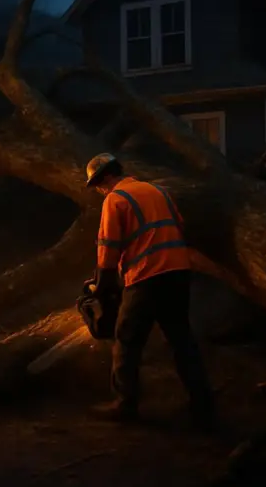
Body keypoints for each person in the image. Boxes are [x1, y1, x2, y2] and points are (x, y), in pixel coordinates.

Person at [83, 152, 214, 429]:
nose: (99, 191)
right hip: (178, 272)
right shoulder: (158, 190)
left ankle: (124, 404)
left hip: (146, 276)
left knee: (127, 340)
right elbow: (178, 227)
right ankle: (202, 405)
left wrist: (102, 286)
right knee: (181, 339)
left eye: (97, 185)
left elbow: (108, 248)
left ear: (106, 177)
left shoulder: (115, 199)